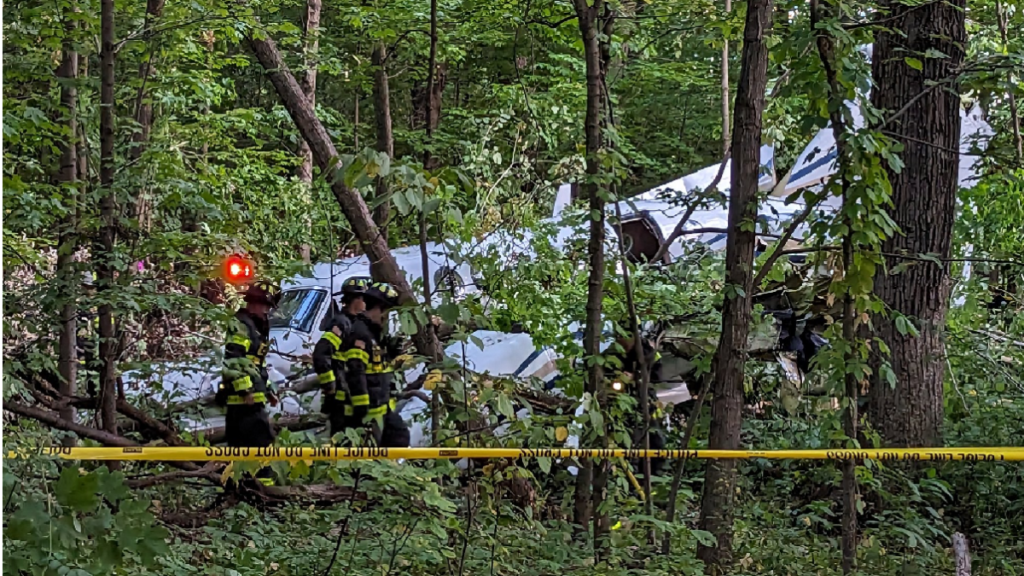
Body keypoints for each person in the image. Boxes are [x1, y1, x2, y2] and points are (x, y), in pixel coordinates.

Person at [216, 280, 282, 483]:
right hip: (243, 404)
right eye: (265, 306)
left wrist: (268, 389)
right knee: (261, 447)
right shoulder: (241, 326)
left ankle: (244, 491)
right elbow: (234, 359)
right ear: (254, 303)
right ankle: (264, 493)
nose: (266, 311)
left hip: (250, 402)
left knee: (244, 451)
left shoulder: (256, 327)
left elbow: (256, 366)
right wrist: (246, 391)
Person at [338, 281, 411, 448]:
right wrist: (361, 408)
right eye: (386, 313)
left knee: (398, 437)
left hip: (381, 408)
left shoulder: (373, 333)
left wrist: (392, 351)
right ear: (378, 309)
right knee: (367, 460)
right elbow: (355, 372)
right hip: (365, 413)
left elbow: (378, 365)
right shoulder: (360, 334)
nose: (387, 318)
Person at [313, 276, 372, 441]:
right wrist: (330, 386)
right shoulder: (341, 323)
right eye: (365, 299)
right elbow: (321, 354)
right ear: (357, 299)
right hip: (341, 400)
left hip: (352, 398)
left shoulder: (356, 324)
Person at [608, 332, 667, 476]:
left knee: (656, 442)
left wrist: (637, 377)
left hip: (645, 404)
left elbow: (657, 377)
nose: (622, 341)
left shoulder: (647, 352)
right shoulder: (611, 352)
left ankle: (655, 475)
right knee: (628, 444)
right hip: (620, 407)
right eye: (619, 337)